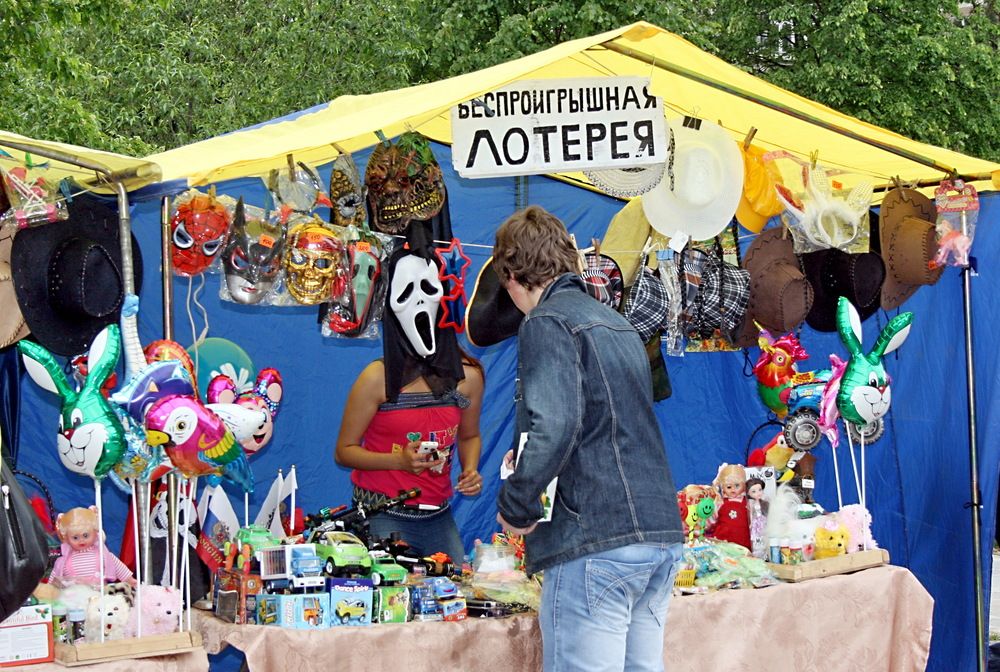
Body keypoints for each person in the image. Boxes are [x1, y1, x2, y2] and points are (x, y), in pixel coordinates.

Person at [493, 205, 684, 672]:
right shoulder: (617, 323)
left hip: (595, 536)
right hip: (658, 533)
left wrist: (517, 504)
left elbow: (555, 426)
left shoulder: (547, 322)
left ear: (512, 276)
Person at [335, 353, 484, 567]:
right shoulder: (378, 376)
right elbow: (344, 451)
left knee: (455, 585)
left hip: (438, 514)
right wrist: (398, 461)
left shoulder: (468, 376)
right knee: (391, 585)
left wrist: (470, 470)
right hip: (381, 511)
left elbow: (469, 436)